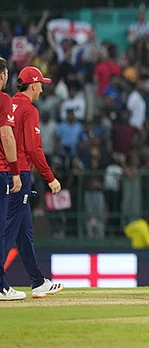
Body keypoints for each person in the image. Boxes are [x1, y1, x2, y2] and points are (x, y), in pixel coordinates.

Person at [5, 67, 63, 299]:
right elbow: (33, 148)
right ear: (32, 85)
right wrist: (50, 178)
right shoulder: (29, 110)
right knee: (8, 231)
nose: (42, 87)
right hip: (19, 173)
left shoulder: (8, 104)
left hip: (6, 171)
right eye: (40, 84)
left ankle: (38, 282)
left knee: (23, 232)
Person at [0, 58, 24, 301]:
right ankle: (0, 285)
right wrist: (15, 171)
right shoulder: (4, 99)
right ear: (3, 75)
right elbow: (6, 135)